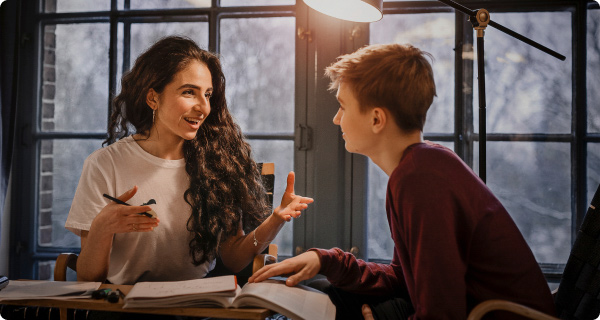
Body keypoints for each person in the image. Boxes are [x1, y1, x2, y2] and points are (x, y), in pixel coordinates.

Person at [249, 43, 556, 320]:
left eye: (343, 106)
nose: (336, 119)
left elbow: (441, 313)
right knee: (323, 285)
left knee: (332, 304)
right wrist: (326, 260)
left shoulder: (421, 180)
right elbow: (403, 278)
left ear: (376, 119)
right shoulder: (420, 167)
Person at [65, 36, 313, 285]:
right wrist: (102, 228)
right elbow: (88, 278)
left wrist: (275, 220)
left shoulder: (218, 163)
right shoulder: (104, 164)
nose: (203, 107)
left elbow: (235, 259)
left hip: (198, 304)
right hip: (122, 304)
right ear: (153, 98)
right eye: (189, 92)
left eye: (207, 94)